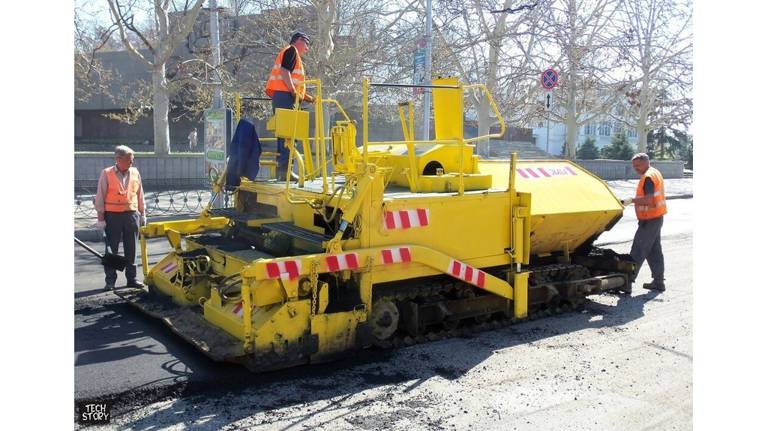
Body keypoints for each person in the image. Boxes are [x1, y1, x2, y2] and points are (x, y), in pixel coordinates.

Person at [95, 145, 147, 290]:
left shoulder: (135, 172)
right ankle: (110, 281)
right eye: (129, 160)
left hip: (131, 215)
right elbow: (100, 197)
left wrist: (142, 214)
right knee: (112, 250)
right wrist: (101, 219)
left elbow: (140, 194)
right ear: (118, 159)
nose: (132, 162)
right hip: (112, 216)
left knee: (132, 248)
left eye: (132, 160)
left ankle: (132, 278)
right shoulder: (106, 173)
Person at [265, 31, 315, 180]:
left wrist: (307, 98)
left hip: (284, 96)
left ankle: (283, 172)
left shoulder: (291, 54)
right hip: (285, 96)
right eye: (307, 44)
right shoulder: (291, 51)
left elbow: (292, 80)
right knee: (288, 133)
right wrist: (293, 92)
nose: (307, 49)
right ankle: (285, 172)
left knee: (285, 134)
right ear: (299, 40)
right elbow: (284, 71)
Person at [621, 153, 667, 292]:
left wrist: (631, 200)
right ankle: (658, 282)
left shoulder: (648, 177)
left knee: (638, 249)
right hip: (656, 217)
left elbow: (648, 200)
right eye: (634, 166)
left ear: (646, 162)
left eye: (638, 165)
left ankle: (627, 282)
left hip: (650, 219)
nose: (636, 168)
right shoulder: (654, 173)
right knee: (654, 250)